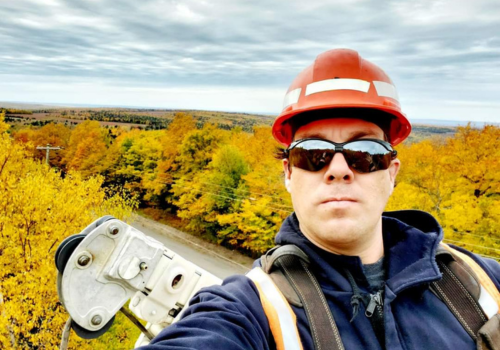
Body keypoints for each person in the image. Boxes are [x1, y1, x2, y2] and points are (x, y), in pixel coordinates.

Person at [139, 49, 500, 350]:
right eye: (313, 153)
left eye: (365, 151)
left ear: (392, 173)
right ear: (288, 174)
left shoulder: (482, 283)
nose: (339, 169)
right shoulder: (250, 309)